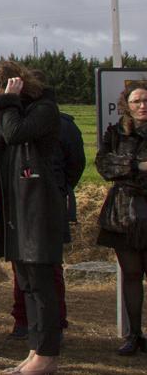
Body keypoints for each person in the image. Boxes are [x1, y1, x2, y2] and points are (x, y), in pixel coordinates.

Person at [0, 62, 66, 374]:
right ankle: (35, 349)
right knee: (27, 284)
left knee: (42, 286)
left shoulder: (44, 110)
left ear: (16, 87)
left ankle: (47, 356)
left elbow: (15, 134)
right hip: (18, 207)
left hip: (39, 208)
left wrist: (6, 103)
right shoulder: (11, 110)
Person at [9, 103, 84, 339]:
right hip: (19, 203)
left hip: (49, 204)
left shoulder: (63, 125)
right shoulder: (15, 124)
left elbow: (75, 165)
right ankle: (24, 321)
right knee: (19, 266)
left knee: (49, 269)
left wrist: (57, 190)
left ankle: (54, 324)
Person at [95, 80, 147, 356]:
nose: (142, 106)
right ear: (127, 105)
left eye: (146, 101)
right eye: (137, 101)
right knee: (131, 275)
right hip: (123, 213)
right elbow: (104, 164)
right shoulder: (116, 132)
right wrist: (137, 165)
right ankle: (134, 334)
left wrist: (126, 170)